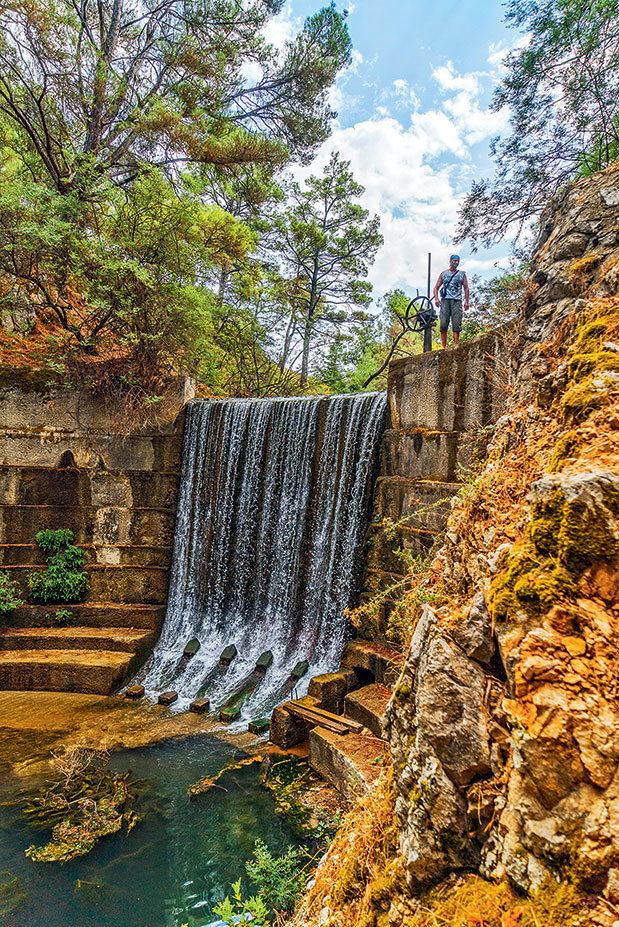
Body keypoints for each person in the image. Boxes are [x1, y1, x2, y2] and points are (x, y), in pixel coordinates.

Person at [433, 254, 469, 349]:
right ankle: (444, 347)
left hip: (457, 300)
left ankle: (455, 345)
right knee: (443, 324)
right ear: (450, 261)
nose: (456, 263)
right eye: (454, 261)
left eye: (458, 261)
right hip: (445, 300)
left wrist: (466, 301)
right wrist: (436, 299)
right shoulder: (444, 274)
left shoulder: (462, 274)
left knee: (456, 323)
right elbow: (436, 287)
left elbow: (466, 288)